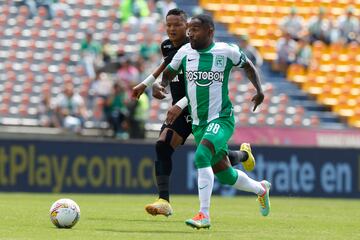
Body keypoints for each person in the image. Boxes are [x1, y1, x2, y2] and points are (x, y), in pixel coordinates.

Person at [132, 9, 255, 217]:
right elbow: (166, 66)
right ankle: (164, 200)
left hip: (202, 109)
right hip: (182, 110)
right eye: (168, 25)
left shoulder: (199, 47)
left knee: (218, 163)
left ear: (187, 25)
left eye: (177, 25)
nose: (172, 29)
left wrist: (179, 103)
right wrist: (147, 84)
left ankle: (242, 155)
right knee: (163, 144)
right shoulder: (169, 46)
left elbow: (202, 85)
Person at [159, 14, 271, 229]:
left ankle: (204, 215)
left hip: (222, 118)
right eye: (189, 29)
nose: (190, 33)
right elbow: (169, 73)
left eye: (196, 29)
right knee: (226, 175)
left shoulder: (227, 50)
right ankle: (261, 189)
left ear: (210, 31)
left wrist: (259, 90)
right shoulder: (184, 52)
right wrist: (161, 85)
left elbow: (248, 65)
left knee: (201, 155)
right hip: (199, 123)